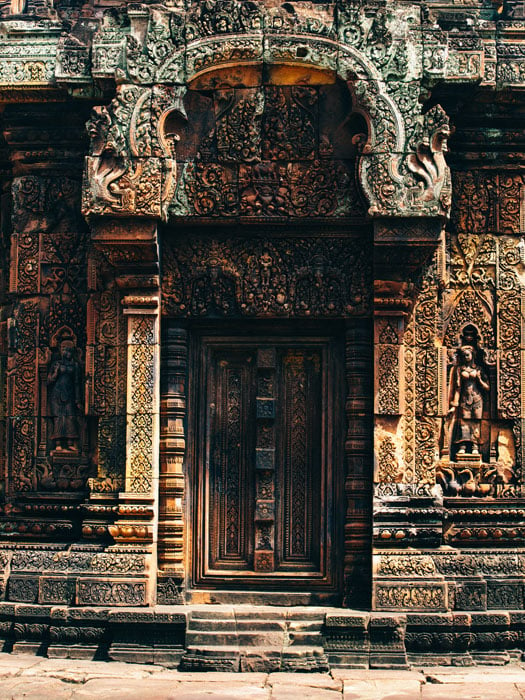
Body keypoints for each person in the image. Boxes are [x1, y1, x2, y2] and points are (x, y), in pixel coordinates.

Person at [448, 344, 489, 457]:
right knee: (464, 422)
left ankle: (475, 445)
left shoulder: (479, 369)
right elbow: (458, 388)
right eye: (463, 355)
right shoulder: (460, 369)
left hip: (477, 399)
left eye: (467, 355)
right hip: (464, 399)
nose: (465, 357)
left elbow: (487, 387)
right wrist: (454, 405)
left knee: (476, 421)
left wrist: (479, 379)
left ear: (472, 355)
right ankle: (463, 446)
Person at [47, 343, 82, 452]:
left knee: (70, 417)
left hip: (70, 393)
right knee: (58, 417)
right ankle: (58, 443)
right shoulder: (56, 364)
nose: (66, 353)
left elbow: (77, 382)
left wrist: (77, 399)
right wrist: (56, 372)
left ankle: (70, 442)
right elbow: (48, 381)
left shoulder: (75, 366)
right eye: (64, 350)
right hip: (56, 394)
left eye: (69, 351)